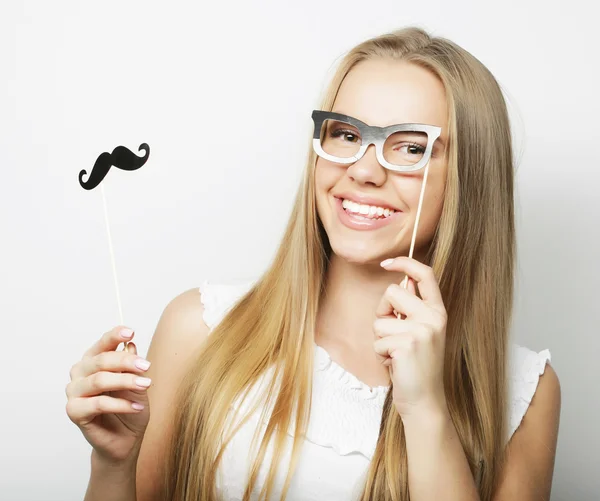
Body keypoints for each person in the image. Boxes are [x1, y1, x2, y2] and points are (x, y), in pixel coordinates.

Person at [65, 26, 561, 501]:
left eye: (410, 147)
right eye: (346, 135)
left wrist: (425, 410)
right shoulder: (200, 329)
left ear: (469, 178)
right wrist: (113, 463)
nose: (364, 171)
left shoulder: (524, 393)